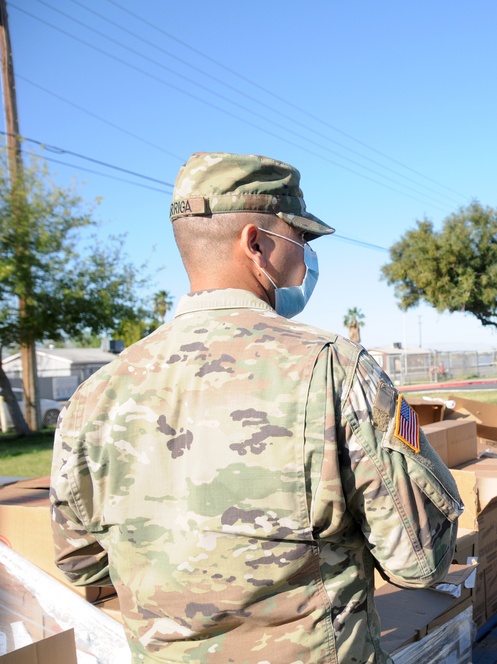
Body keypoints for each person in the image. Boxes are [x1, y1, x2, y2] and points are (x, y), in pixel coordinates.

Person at [49, 152, 463, 664]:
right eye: (302, 240)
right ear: (257, 244)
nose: (307, 259)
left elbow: (82, 566)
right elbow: (419, 560)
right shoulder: (334, 369)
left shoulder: (94, 396)